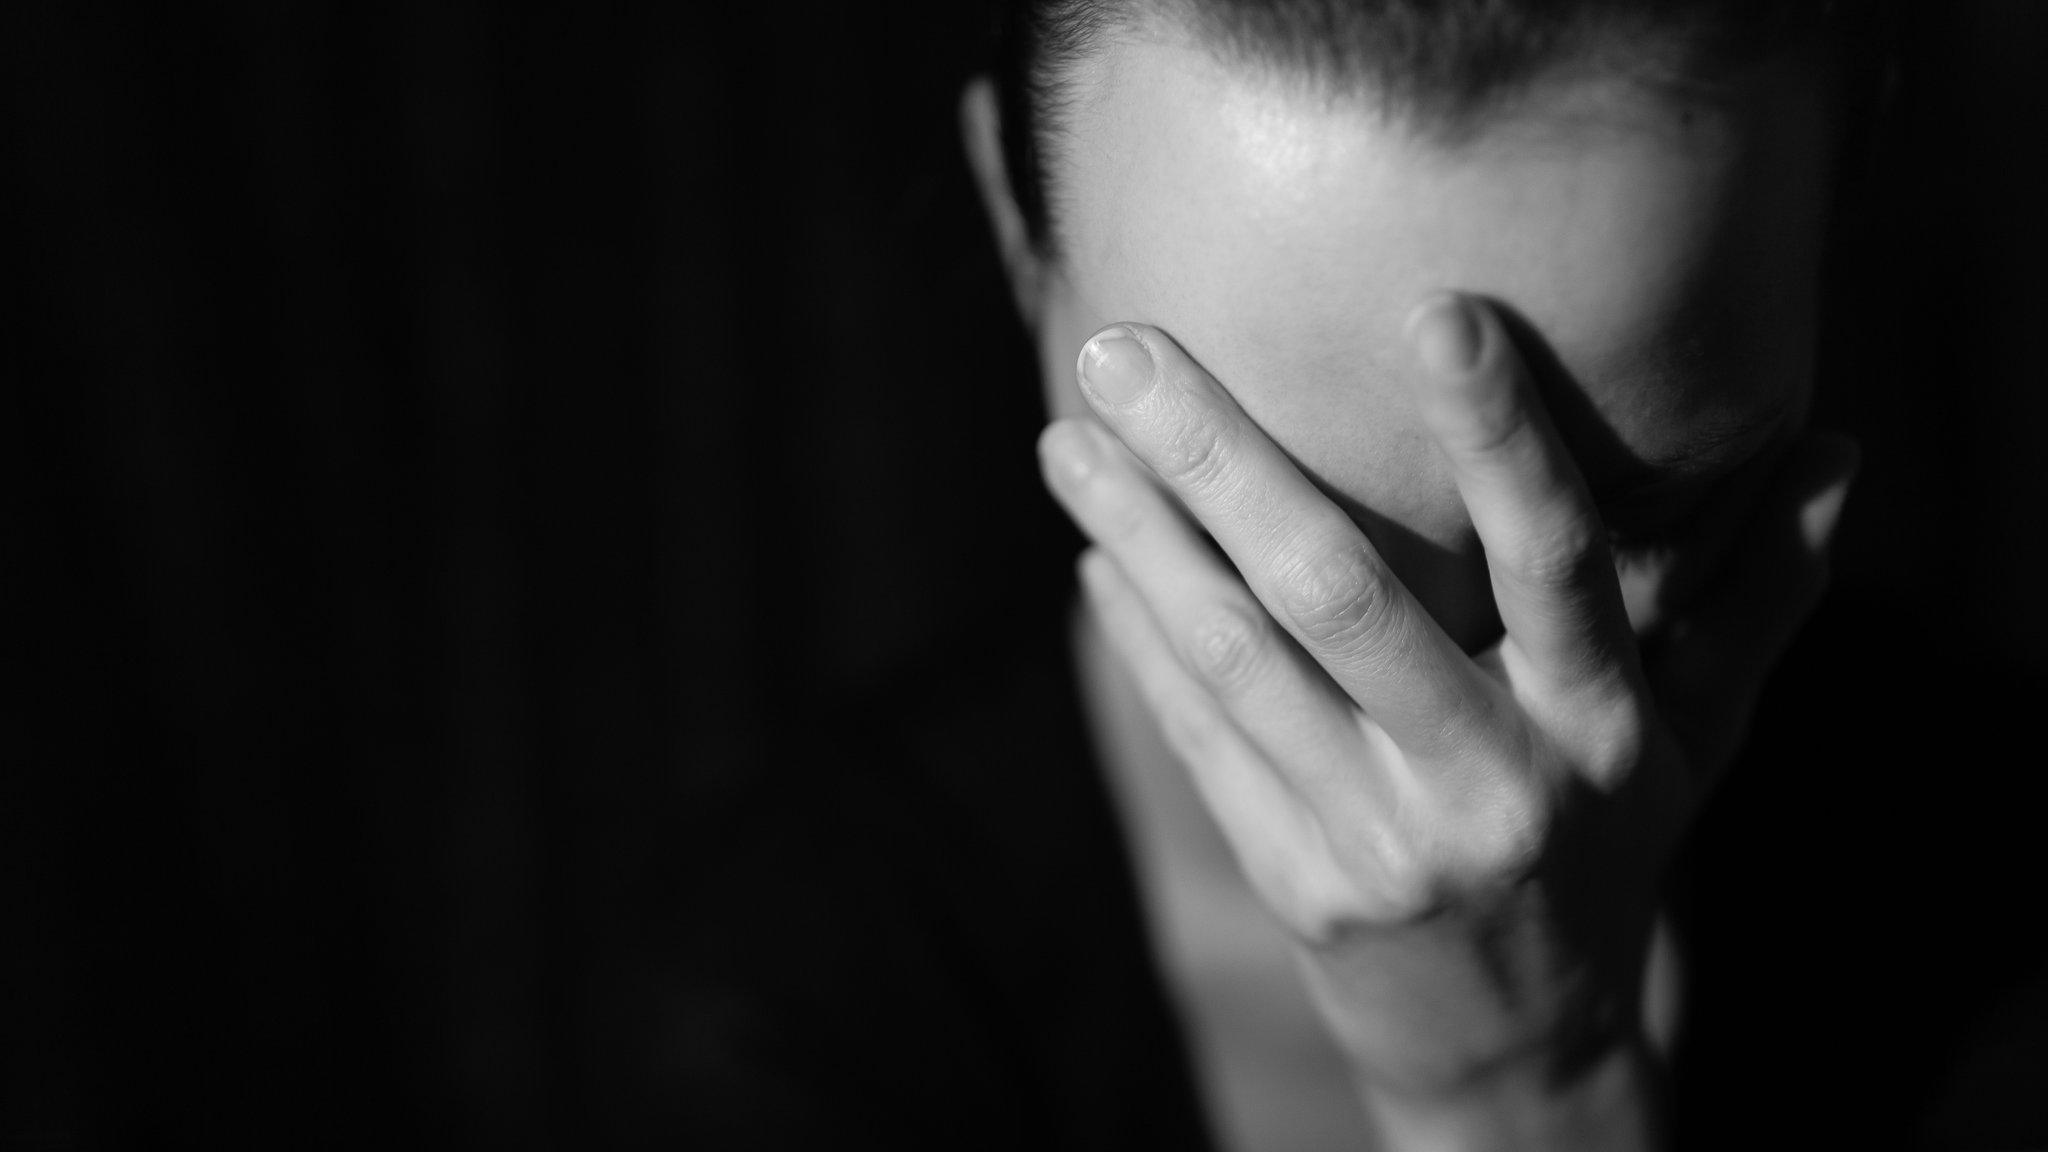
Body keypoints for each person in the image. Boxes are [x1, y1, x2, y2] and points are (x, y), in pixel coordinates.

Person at [953, 1, 1873, 1147]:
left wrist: (1527, 1094)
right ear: (1007, 214)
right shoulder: (746, 1032)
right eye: (1256, 529)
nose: (1477, 781)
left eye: (1616, 536)